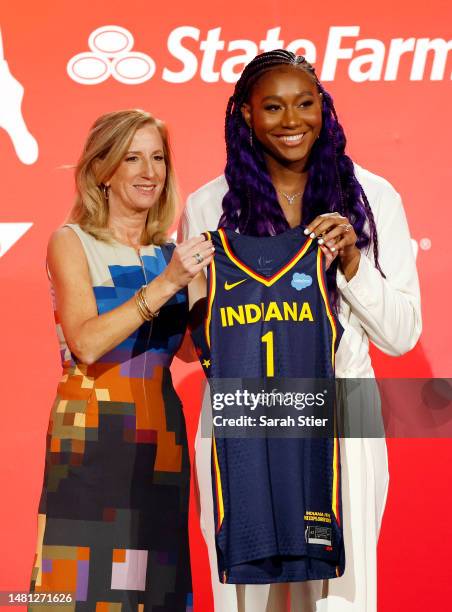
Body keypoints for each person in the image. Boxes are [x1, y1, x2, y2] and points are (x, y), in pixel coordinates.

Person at [179, 50, 421, 612]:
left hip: (342, 404)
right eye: (273, 107)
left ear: (324, 107)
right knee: (248, 585)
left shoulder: (372, 198)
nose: (293, 120)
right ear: (244, 114)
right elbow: (196, 344)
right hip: (245, 406)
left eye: (305, 103)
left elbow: (402, 334)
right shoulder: (209, 204)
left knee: (343, 592)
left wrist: (355, 265)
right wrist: (192, 300)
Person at [30, 109, 214, 611]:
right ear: (103, 170)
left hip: (161, 435)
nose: (148, 171)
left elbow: (188, 351)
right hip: (91, 433)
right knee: (79, 589)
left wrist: (217, 292)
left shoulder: (169, 253)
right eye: (132, 158)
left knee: (153, 587)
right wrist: (169, 283)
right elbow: (87, 343)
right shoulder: (71, 242)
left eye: (157, 158)